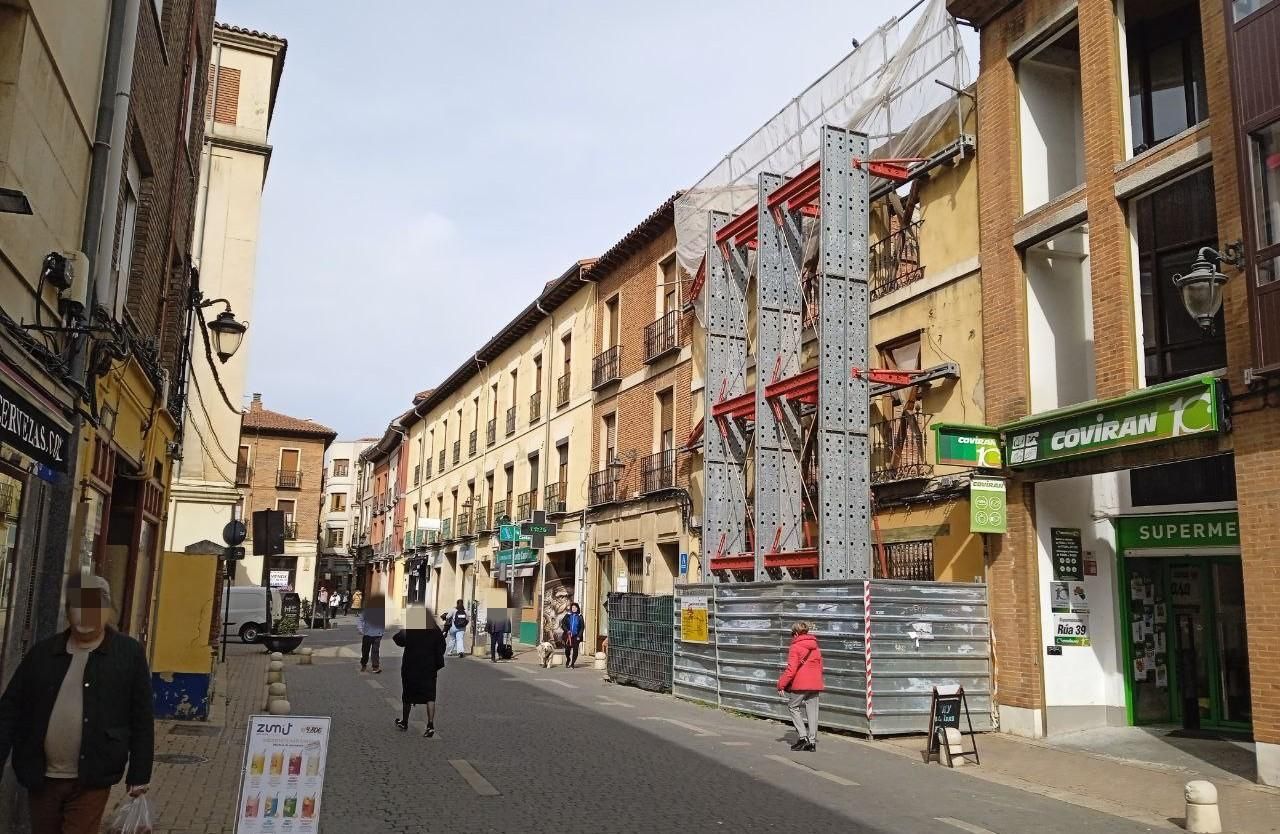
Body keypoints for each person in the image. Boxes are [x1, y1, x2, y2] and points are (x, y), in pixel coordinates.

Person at [0, 573, 153, 833]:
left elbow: (141, 716)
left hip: (93, 775)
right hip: (41, 776)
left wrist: (139, 774)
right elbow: (9, 711)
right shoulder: (43, 653)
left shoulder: (127, 654)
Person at [392, 607, 446, 737]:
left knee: (407, 695)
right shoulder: (435, 630)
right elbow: (442, 646)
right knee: (430, 696)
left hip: (411, 667)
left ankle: (405, 721)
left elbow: (398, 639)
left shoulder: (412, 629)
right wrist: (436, 662)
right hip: (429, 668)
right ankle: (430, 725)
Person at [777, 621, 824, 752]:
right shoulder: (816, 647)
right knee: (813, 712)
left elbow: (791, 670)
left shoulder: (795, 647)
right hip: (815, 684)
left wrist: (781, 684)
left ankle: (803, 738)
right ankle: (812, 742)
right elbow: (820, 667)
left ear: (796, 633)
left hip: (801, 684)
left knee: (792, 706)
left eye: (792, 634)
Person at [357, 594, 386, 673]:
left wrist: (382, 632)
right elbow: (360, 620)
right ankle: (363, 664)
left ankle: (375, 667)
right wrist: (360, 629)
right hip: (367, 634)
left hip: (378, 634)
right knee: (365, 650)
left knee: (375, 651)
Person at [560, 602, 586, 668]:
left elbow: (582, 627)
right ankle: (568, 659)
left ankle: (572, 663)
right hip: (568, 636)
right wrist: (567, 630)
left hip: (576, 636)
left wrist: (579, 636)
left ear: (577, 608)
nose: (574, 609)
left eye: (575, 607)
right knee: (567, 650)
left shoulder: (580, 616)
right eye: (573, 607)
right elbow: (563, 624)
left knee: (575, 650)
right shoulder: (567, 615)